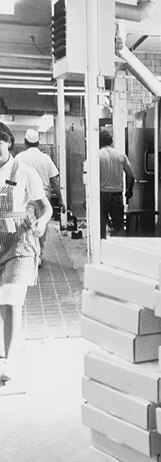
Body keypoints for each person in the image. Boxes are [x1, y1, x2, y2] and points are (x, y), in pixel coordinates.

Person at [0, 122, 52, 385]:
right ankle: (7, 348)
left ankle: (7, 360)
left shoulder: (24, 171)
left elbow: (45, 207)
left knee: (11, 297)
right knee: (2, 302)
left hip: (19, 241)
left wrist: (42, 222)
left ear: (8, 143)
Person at [15, 128, 65, 262]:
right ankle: (40, 253)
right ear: (39, 143)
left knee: (28, 226)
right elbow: (55, 180)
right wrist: (60, 199)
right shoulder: (46, 159)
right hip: (43, 198)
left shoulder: (19, 158)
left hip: (26, 198)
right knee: (42, 224)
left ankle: (32, 254)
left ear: (25, 142)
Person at [99, 128, 135, 238]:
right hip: (117, 195)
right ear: (111, 141)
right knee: (119, 226)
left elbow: (90, 177)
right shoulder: (121, 155)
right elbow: (131, 175)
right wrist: (129, 190)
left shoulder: (97, 155)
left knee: (100, 226)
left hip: (102, 195)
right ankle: (118, 249)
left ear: (99, 142)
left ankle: (101, 250)